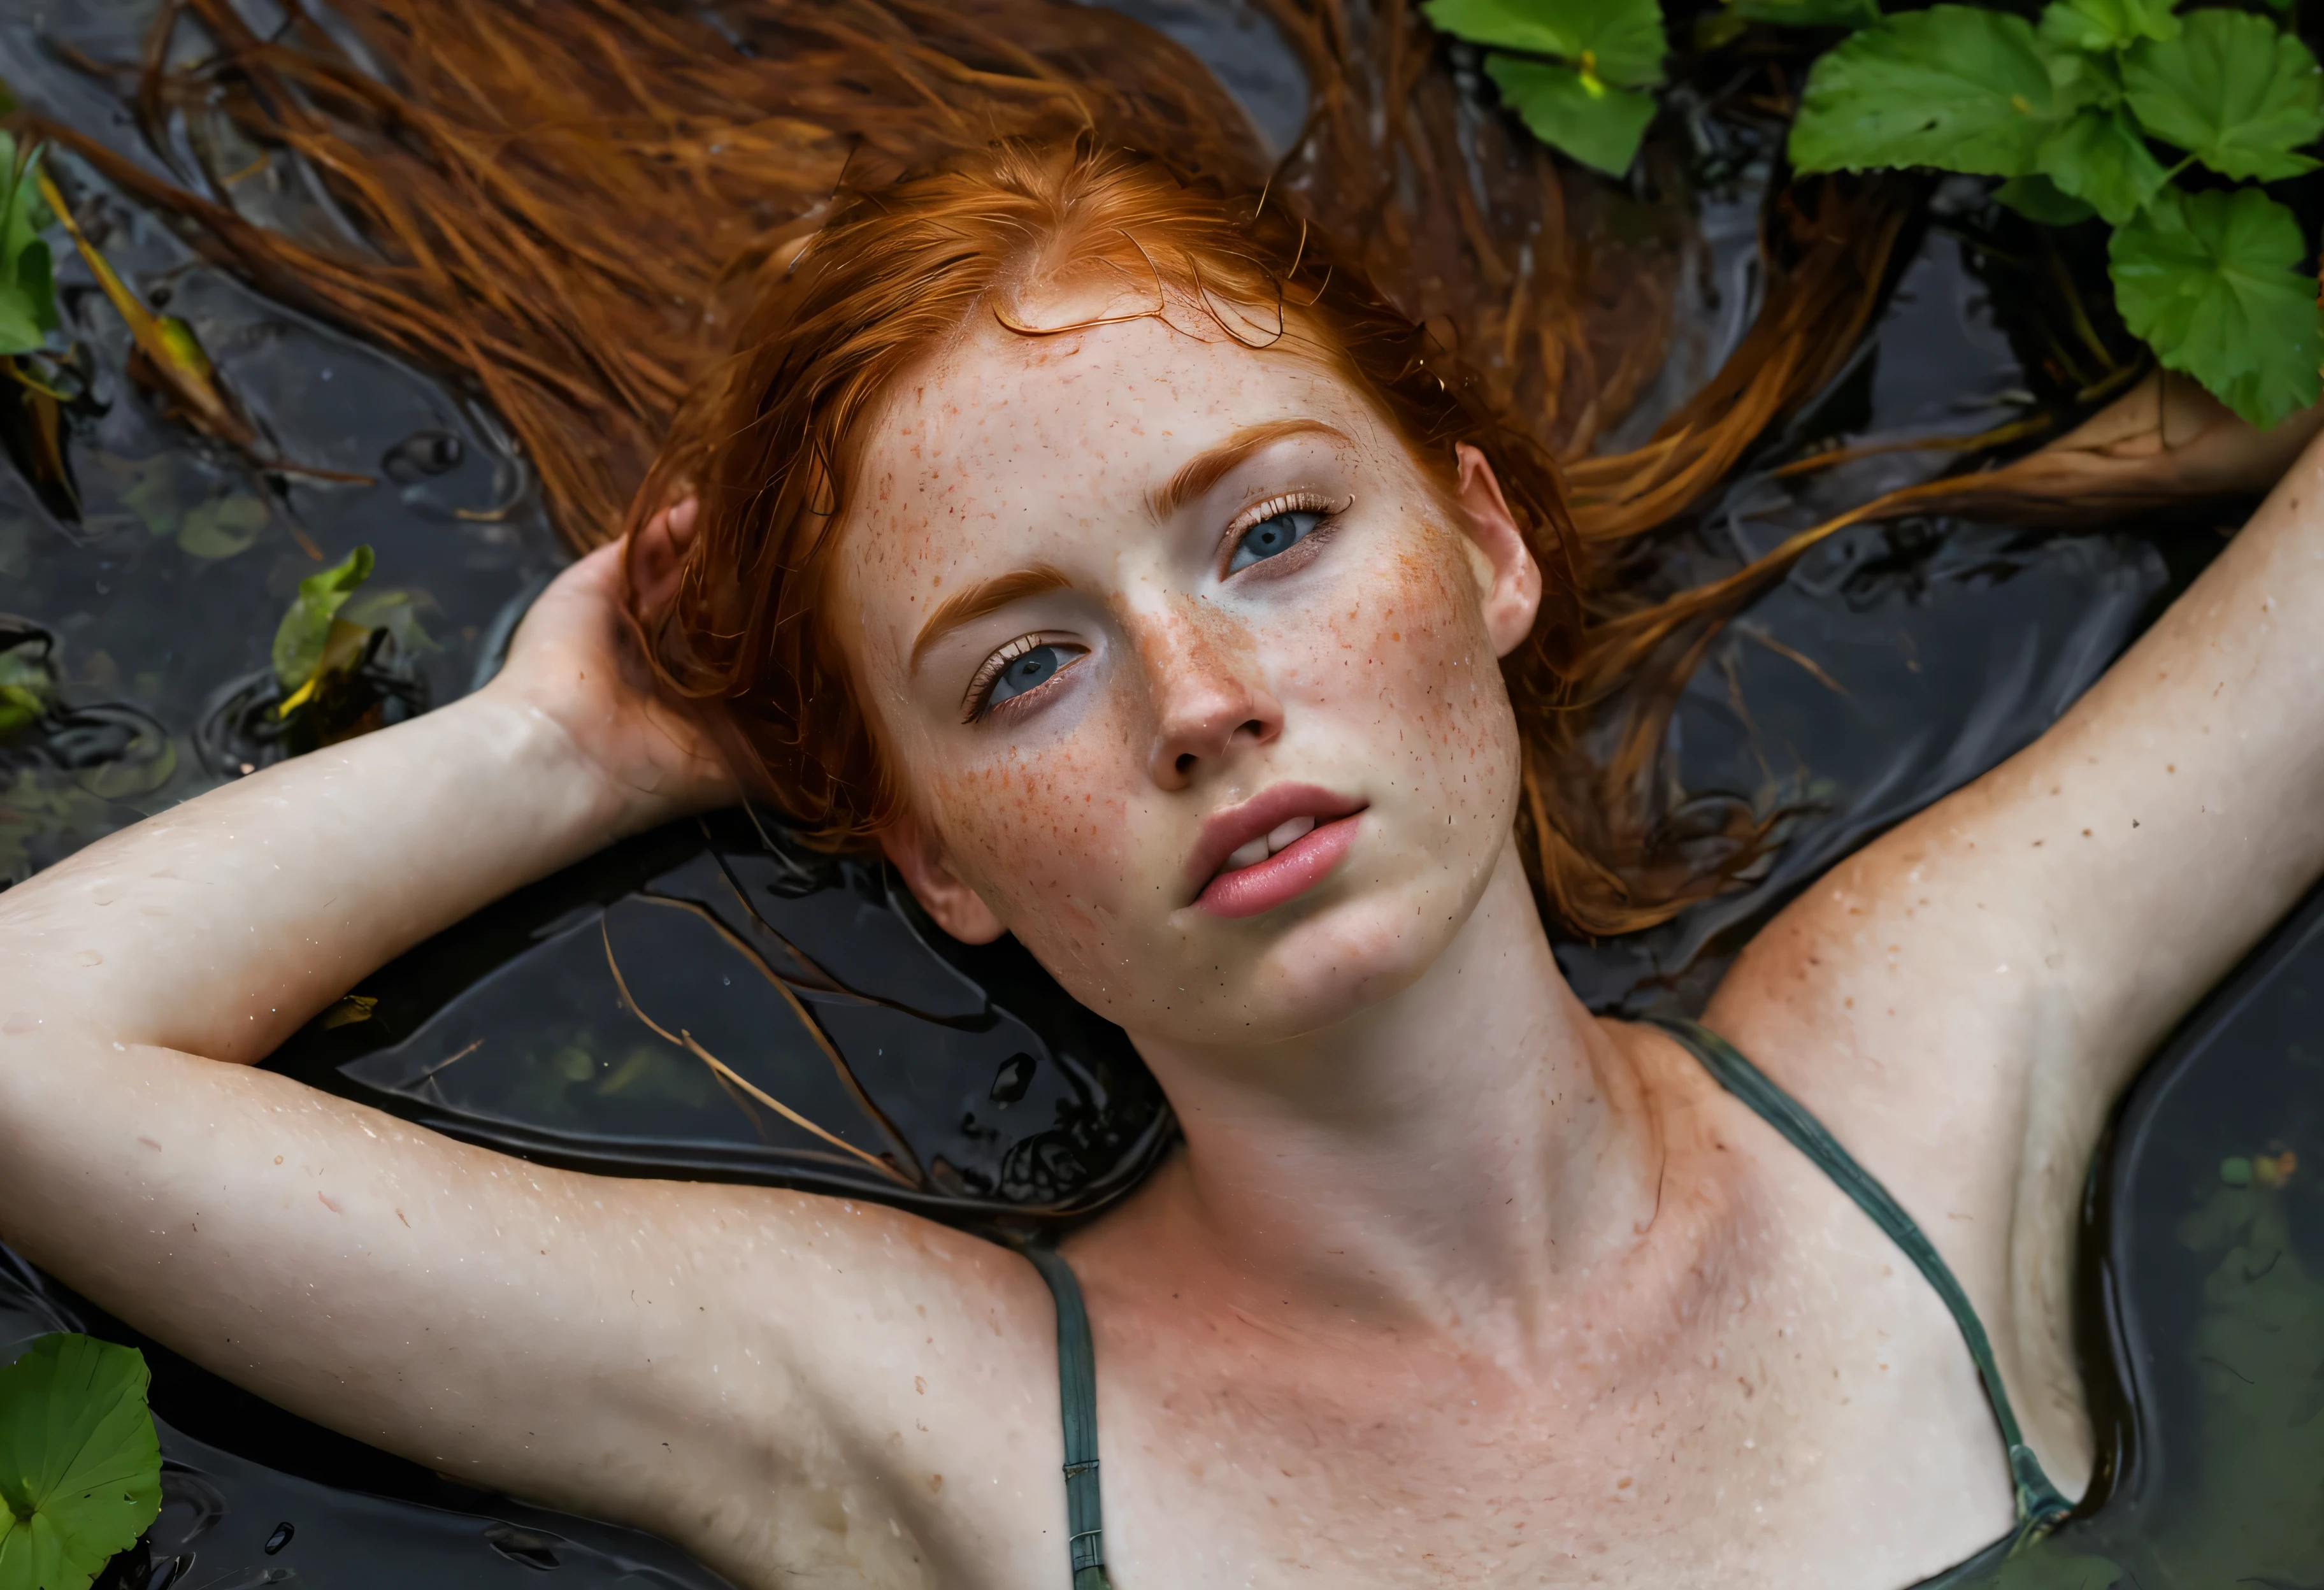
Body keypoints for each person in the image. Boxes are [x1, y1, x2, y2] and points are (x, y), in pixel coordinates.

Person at [4, 6, 2323, 1589]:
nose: (1200, 700)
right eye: (1021, 670)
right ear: (933, 859)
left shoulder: (1925, 1068)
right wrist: (565, 745)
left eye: (1276, 534)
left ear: (1488, 550)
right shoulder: (945, 1420)